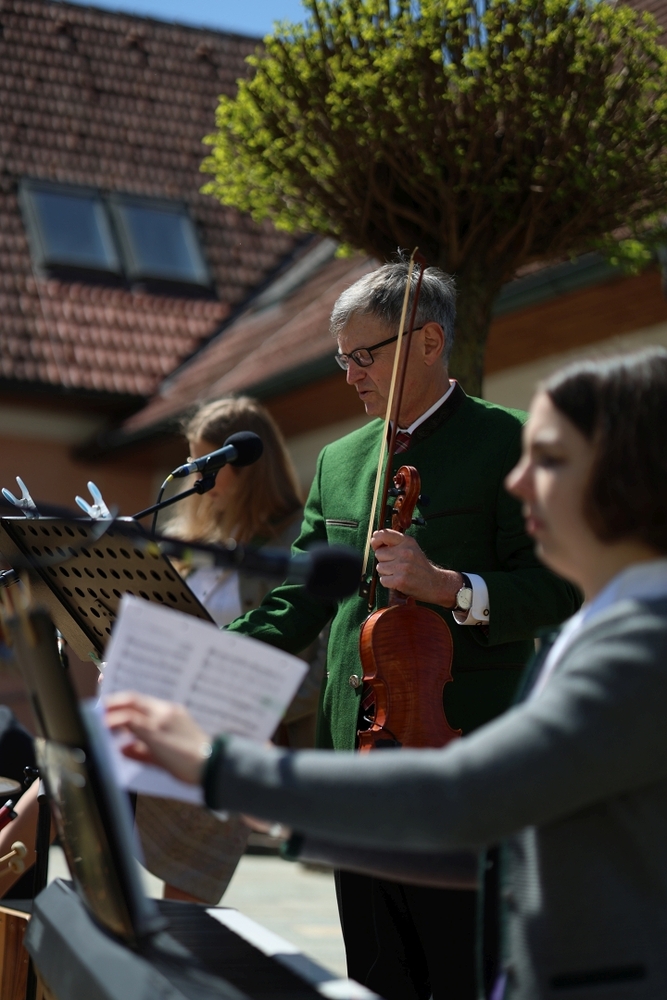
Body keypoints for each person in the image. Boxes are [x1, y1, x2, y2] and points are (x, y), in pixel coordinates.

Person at [107, 346, 667, 1000]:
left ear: (626, 473)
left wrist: (220, 767)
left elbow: (468, 795)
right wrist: (306, 815)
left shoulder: (642, 644)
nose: (517, 482)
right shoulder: (613, 621)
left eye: (548, 459)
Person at [225, 259, 577, 996]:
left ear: (428, 342)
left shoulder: (508, 443)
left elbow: (559, 589)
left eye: (364, 355)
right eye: (341, 358)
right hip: (353, 766)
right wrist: (205, 652)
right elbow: (301, 598)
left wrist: (449, 587)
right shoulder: (338, 460)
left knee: (461, 975)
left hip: (462, 759)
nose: (350, 374)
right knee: (374, 977)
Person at [136, 397, 326, 905]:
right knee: (70, 770)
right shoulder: (186, 537)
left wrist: (243, 712)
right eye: (193, 461)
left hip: (234, 728)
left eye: (208, 464)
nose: (197, 477)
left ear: (248, 466)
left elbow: (318, 672)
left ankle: (167, 942)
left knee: (185, 880)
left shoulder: (294, 542)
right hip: (166, 710)